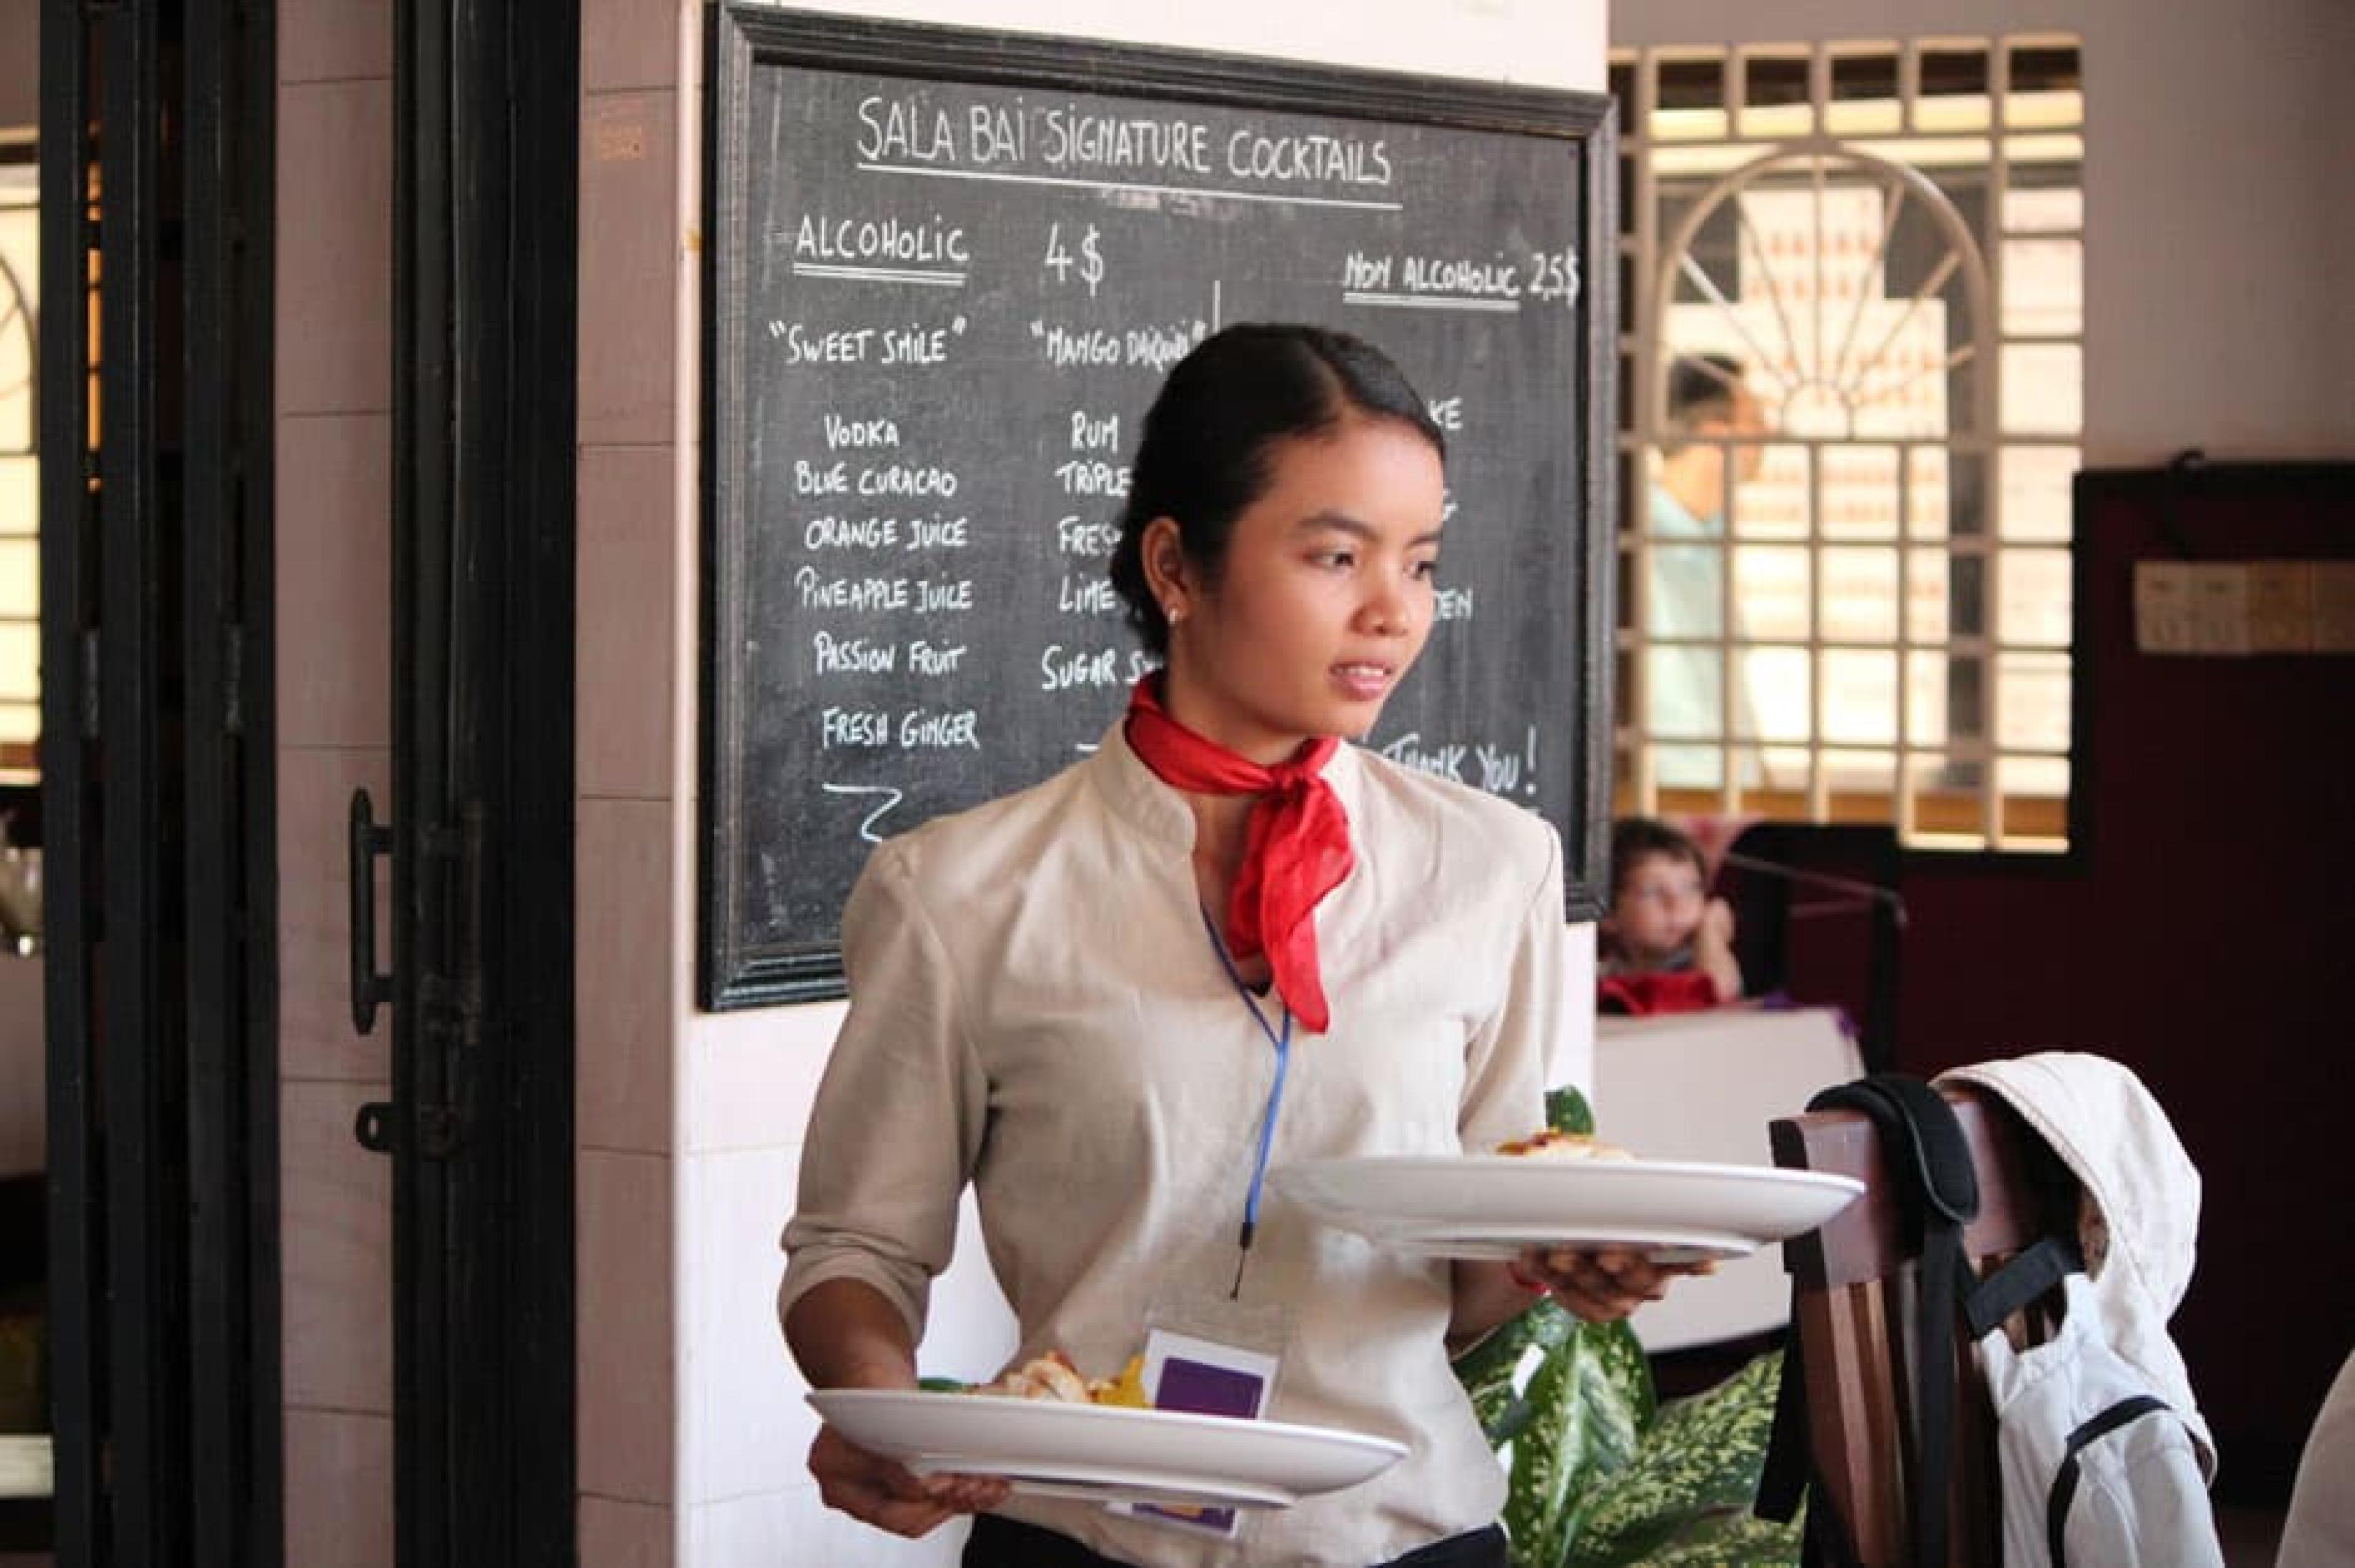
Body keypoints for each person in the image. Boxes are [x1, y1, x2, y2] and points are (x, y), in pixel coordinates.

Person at [779, 323, 1698, 1567]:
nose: (1394, 612)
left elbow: (1472, 1275)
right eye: (1336, 555)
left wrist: (1553, 1260)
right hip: (1081, 1545)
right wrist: (879, 1402)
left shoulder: (1495, 866)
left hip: (1405, 1540)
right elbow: (855, 1252)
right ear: (1177, 565)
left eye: (1421, 563)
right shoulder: (960, 891)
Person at [1644, 353, 1767, 788]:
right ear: (1717, 435)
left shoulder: (1711, 543)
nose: (1766, 436)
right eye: (1755, 420)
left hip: (1732, 801)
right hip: (1673, 801)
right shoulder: (1637, 549)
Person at [1596, 816, 1742, 1015]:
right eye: (1652, 892)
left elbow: (1718, 991)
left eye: (1691, 888)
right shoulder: (1605, 974)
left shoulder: (1704, 961)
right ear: (1608, 914)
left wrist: (1712, 936)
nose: (1677, 905)